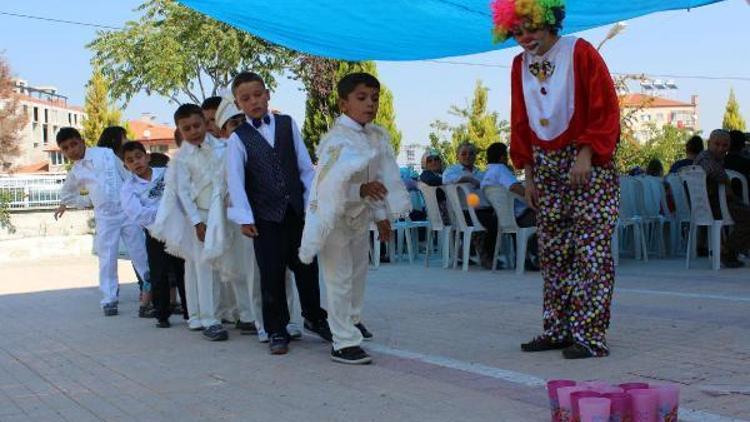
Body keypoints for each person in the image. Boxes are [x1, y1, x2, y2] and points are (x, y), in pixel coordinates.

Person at [493, 0, 620, 358]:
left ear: (549, 20)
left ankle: (590, 336)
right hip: (544, 165)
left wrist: (586, 154)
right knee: (554, 252)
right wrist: (528, 175)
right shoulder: (519, 65)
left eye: (530, 29)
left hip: (587, 162)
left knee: (591, 252)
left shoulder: (580, 51)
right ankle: (558, 329)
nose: (524, 39)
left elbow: (604, 108)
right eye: (516, 32)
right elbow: (521, 121)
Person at [299, 72, 410, 364]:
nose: (370, 104)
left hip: (359, 217)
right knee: (339, 279)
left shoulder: (375, 136)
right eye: (361, 98)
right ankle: (342, 342)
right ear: (343, 104)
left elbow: (380, 179)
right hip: (334, 219)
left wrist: (382, 215)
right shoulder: (336, 141)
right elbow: (327, 186)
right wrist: (360, 189)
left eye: (375, 98)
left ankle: (351, 320)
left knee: (358, 276)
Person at [226, 71, 331, 355]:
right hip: (265, 218)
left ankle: (314, 317)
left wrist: (312, 205)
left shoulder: (287, 124)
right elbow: (235, 181)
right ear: (238, 104)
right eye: (246, 98)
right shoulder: (238, 138)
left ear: (268, 94)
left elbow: (304, 167)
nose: (254, 101)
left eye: (258, 94)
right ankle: (276, 328)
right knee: (271, 275)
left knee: (307, 267)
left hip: (297, 213)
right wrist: (244, 217)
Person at [152, 104, 230, 341]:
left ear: (206, 124)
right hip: (198, 216)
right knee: (200, 267)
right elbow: (183, 193)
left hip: (220, 213)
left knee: (207, 266)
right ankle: (206, 318)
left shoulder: (221, 147)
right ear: (179, 131)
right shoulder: (181, 158)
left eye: (197, 125)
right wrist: (197, 222)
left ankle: (204, 314)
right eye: (187, 129)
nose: (194, 131)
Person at [53, 127, 149, 317]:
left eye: (74, 144)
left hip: (127, 212)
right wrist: (89, 201)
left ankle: (153, 292)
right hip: (105, 218)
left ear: (81, 141)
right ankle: (109, 299)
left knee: (140, 254)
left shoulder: (105, 154)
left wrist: (140, 200)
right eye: (66, 148)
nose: (72, 150)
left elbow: (127, 175)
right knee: (107, 258)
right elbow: (67, 194)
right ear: (62, 152)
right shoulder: (76, 172)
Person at [120, 141, 186, 328]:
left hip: (177, 229)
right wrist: (162, 212)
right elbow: (137, 213)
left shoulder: (165, 174)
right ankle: (162, 314)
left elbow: (179, 196)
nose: (136, 163)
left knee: (182, 270)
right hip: (155, 233)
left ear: (147, 157)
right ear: (126, 165)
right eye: (130, 160)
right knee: (159, 274)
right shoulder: (128, 188)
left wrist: (163, 211)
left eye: (139, 157)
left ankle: (191, 311)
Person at [694, 129, 750, 268]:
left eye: (725, 145)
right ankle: (727, 250)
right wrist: (726, 181)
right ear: (709, 143)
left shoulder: (719, 159)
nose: (721, 148)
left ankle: (730, 250)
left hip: (716, 204)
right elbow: (712, 171)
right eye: (717, 144)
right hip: (714, 206)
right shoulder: (705, 157)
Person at [481, 142, 539, 270]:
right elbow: (514, 186)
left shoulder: (487, 175)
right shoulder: (500, 169)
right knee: (552, 216)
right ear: (502, 157)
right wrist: (535, 198)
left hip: (504, 219)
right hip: (520, 217)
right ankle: (536, 256)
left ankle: (526, 257)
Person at [442, 142, 498, 268]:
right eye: (464, 153)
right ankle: (487, 257)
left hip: (484, 209)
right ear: (458, 156)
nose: (468, 156)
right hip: (464, 213)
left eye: (471, 153)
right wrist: (468, 178)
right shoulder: (452, 170)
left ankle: (477, 253)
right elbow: (446, 180)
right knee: (493, 222)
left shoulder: (481, 173)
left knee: (505, 216)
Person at [725, 130, 750, 198]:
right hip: (744, 202)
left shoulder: (719, 162)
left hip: (723, 201)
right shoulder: (747, 164)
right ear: (743, 145)